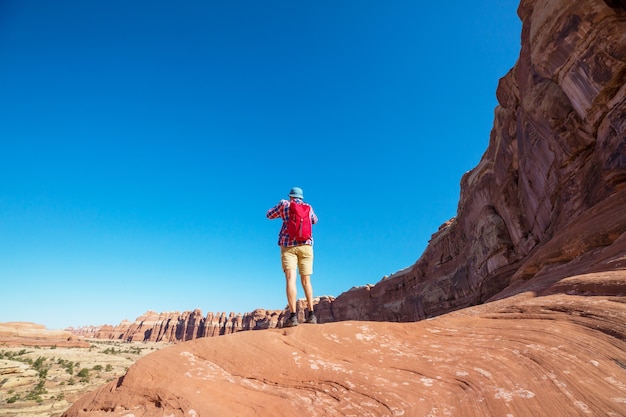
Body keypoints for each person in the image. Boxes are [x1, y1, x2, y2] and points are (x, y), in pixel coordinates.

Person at [266, 186, 319, 327]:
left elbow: (269, 215)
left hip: (288, 246)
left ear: (290, 196)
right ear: (301, 197)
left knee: (291, 279)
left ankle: (293, 316)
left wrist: (282, 209)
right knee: (306, 281)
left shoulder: (285, 205)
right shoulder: (308, 207)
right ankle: (312, 315)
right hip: (306, 246)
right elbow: (315, 220)